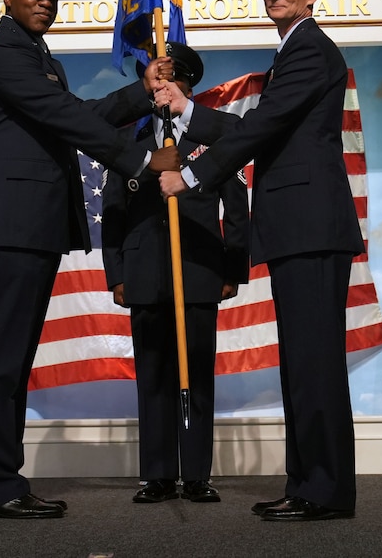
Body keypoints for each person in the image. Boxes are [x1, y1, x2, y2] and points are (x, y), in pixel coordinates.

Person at [0, 0, 179, 519]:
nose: (45, 3)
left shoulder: (34, 56)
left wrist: (140, 91)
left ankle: (0, 482)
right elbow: (66, 118)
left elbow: (73, 112)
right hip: (8, 224)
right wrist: (142, 160)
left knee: (11, 358)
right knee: (0, 359)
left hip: (27, 227)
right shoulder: (5, 53)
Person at [158, 0, 364, 521]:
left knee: (314, 364)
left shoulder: (310, 49)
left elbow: (263, 125)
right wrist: (187, 110)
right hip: (300, 228)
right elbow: (261, 126)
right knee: (302, 363)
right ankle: (309, 485)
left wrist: (190, 176)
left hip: (311, 228)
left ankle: (323, 491)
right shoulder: (294, 51)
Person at [102, 42, 250, 505]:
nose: (166, 91)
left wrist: (233, 268)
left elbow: (237, 208)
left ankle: (197, 475)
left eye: (175, 82)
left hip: (200, 269)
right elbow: (113, 212)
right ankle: (158, 475)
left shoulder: (213, 140)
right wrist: (116, 274)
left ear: (188, 87)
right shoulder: (129, 145)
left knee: (198, 374)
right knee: (153, 375)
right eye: (160, 82)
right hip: (145, 273)